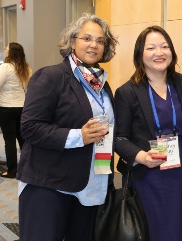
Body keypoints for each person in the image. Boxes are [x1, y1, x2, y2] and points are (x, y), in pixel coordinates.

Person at [17, 13, 118, 241]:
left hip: (90, 184)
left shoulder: (102, 84)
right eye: (87, 38)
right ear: (73, 42)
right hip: (49, 185)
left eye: (100, 41)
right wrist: (78, 136)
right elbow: (30, 127)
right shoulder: (51, 76)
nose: (94, 45)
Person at [114, 26, 182, 241]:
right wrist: (141, 157)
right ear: (140, 54)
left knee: (179, 228)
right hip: (146, 175)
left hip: (179, 173)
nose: (159, 53)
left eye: (164, 46)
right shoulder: (128, 92)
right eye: (151, 48)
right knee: (151, 231)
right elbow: (118, 138)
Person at [0, 42, 31, 179]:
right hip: (22, 107)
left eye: (6, 49)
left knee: (9, 140)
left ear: (10, 52)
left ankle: (12, 171)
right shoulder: (26, 68)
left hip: (6, 108)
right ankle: (28, 167)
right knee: (22, 139)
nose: (5, 51)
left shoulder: (5, 67)